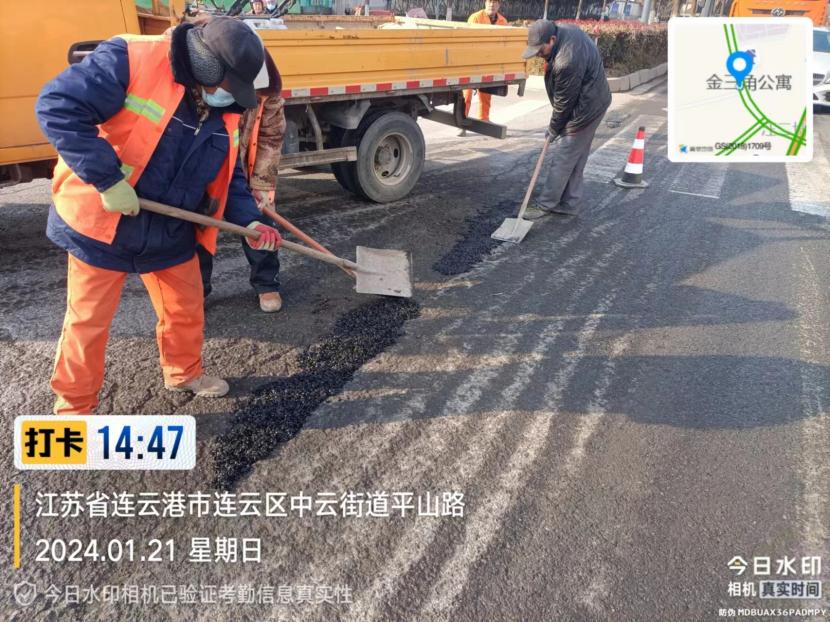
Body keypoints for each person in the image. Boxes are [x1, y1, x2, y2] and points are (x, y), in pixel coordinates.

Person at [36, 17, 282, 415]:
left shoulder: (225, 111)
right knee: (88, 322)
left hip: (170, 224)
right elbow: (57, 106)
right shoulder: (130, 58)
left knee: (185, 306)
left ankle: (183, 373)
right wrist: (106, 179)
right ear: (206, 66)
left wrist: (248, 221)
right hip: (104, 219)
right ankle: (74, 408)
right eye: (228, 86)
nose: (230, 97)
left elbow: (230, 175)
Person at [197, 47, 287, 312]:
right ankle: (196, 289)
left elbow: (271, 138)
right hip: (208, 168)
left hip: (246, 168)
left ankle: (266, 283)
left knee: (261, 223)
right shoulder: (209, 89)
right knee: (199, 227)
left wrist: (261, 184)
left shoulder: (268, 93)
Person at [521, 20, 611, 217]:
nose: (538, 54)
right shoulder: (563, 32)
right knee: (576, 156)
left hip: (586, 107)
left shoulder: (566, 60)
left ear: (552, 39)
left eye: (540, 49)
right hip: (594, 98)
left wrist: (553, 130)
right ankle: (570, 203)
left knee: (565, 153)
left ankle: (545, 204)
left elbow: (564, 103)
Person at [463, 0, 508, 124]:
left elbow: (504, 44)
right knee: (466, 95)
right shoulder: (475, 18)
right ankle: (462, 120)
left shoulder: (503, 21)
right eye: (489, 1)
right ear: (485, 3)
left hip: (489, 63)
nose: (492, 5)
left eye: (495, 2)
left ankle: (484, 119)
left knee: (486, 94)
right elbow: (467, 40)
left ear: (499, 5)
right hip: (472, 62)